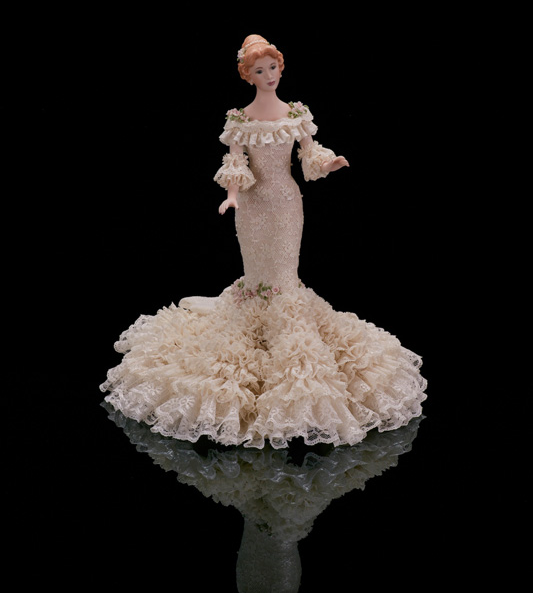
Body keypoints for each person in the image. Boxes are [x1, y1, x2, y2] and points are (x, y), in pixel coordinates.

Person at [101, 35, 427, 448]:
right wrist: (232, 196)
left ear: (280, 67)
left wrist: (329, 163)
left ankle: (286, 335)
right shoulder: (240, 120)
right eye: (260, 70)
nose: (269, 75)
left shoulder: (296, 114)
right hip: (252, 208)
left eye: (272, 67)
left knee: (285, 276)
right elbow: (235, 162)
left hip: (287, 204)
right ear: (247, 75)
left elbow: (310, 154)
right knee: (257, 275)